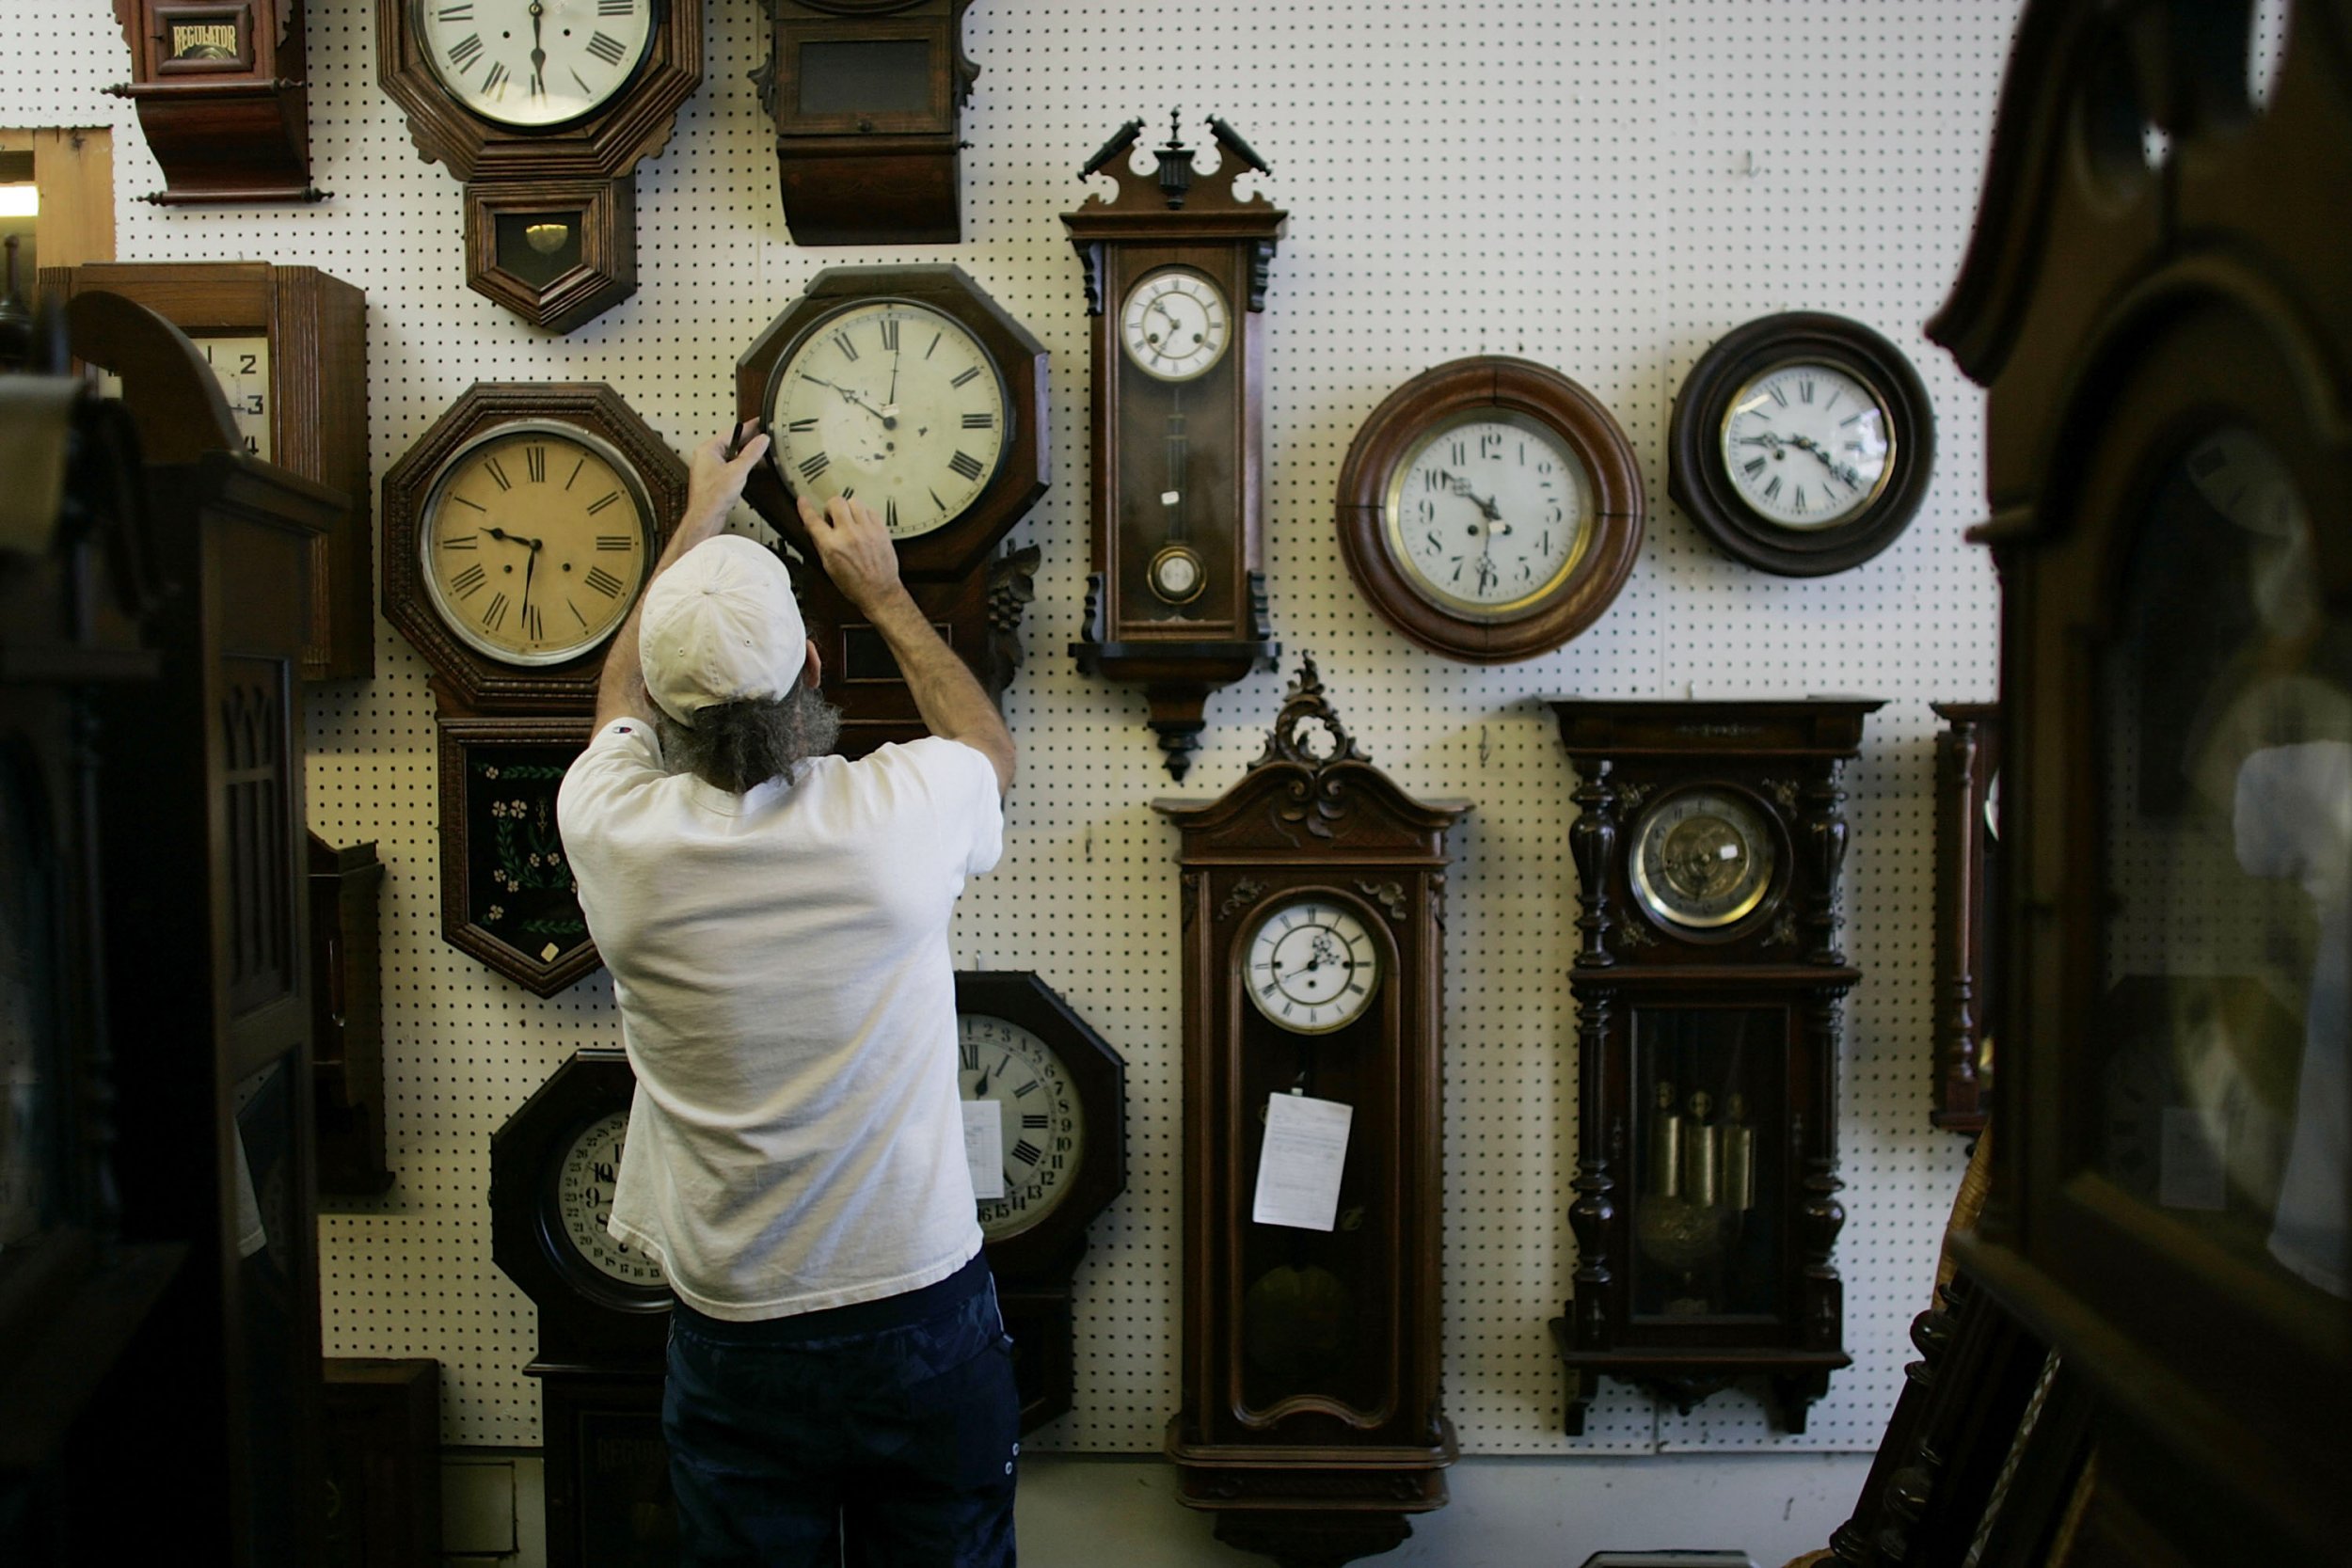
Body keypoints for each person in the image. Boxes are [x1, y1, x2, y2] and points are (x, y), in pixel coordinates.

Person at [556, 424, 1021, 1567]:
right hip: (917, 1298)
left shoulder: (614, 829)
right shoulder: (893, 815)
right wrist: (885, 595)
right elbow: (988, 748)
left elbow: (614, 705)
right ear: (813, 666)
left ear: (663, 713)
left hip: (734, 1323)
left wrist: (694, 522)